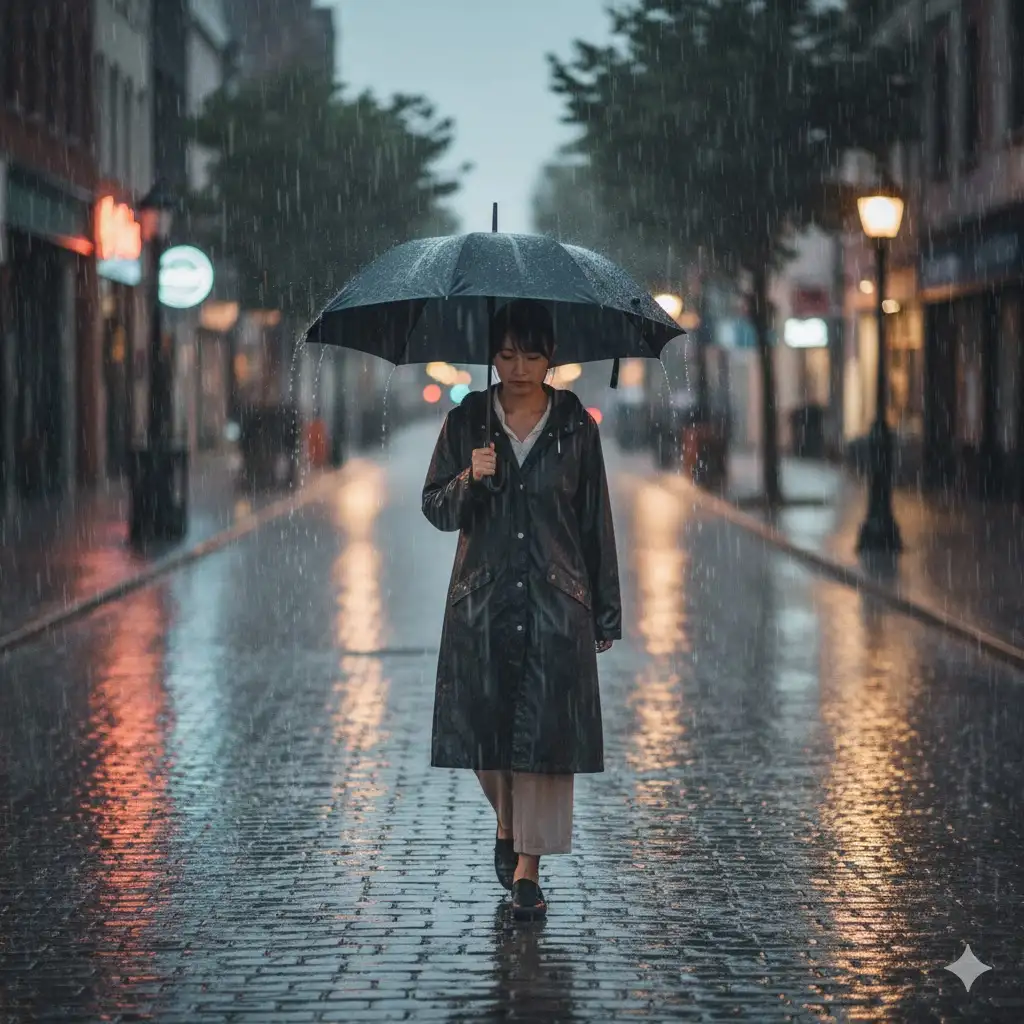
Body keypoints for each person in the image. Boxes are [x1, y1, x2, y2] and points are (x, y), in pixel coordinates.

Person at [421, 298, 621, 921]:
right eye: (506, 355)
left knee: (546, 738)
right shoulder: (467, 422)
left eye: (531, 355)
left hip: (558, 600)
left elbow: (595, 521)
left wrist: (605, 610)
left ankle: (528, 871)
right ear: (493, 356)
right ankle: (508, 823)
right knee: (484, 733)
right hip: (482, 599)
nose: (519, 367)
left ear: (550, 358)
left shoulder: (576, 428)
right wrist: (468, 479)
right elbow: (435, 507)